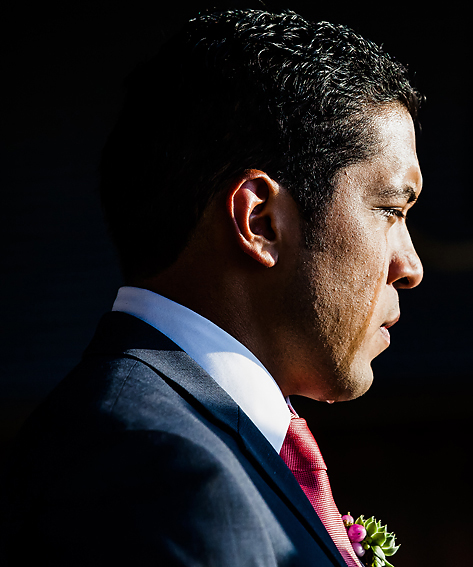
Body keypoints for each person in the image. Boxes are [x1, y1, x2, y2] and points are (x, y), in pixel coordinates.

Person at [0, 8, 423, 566]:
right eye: (391, 210)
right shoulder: (161, 470)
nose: (411, 266)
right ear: (262, 222)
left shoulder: (152, 441)